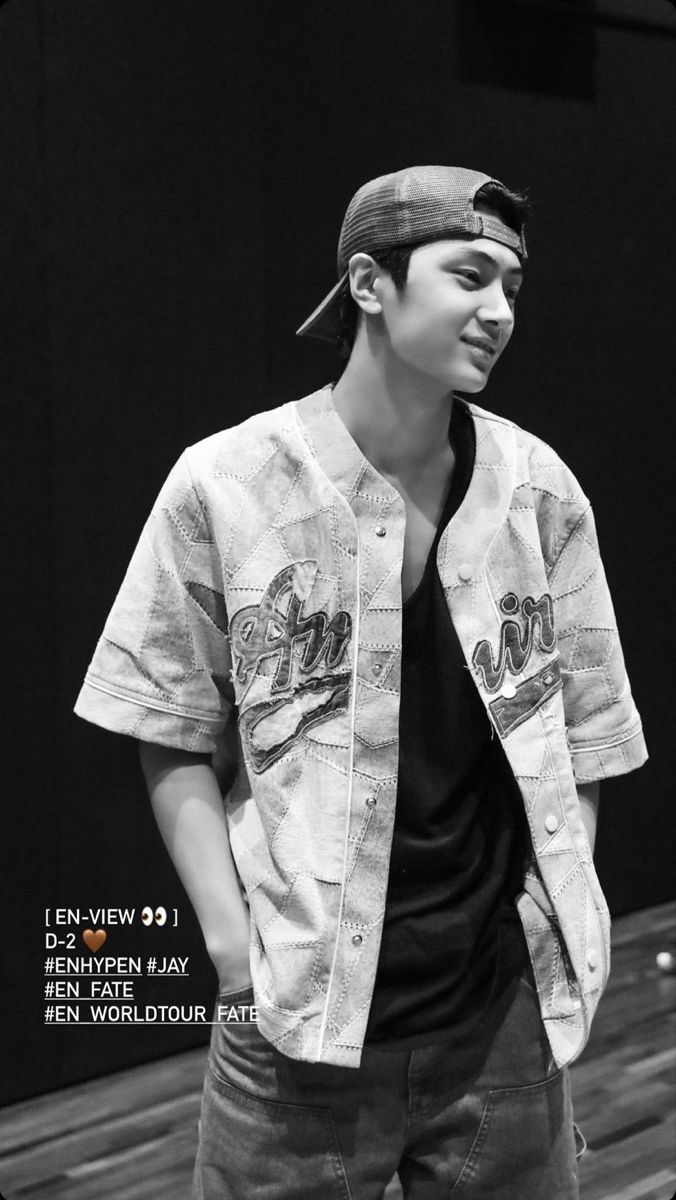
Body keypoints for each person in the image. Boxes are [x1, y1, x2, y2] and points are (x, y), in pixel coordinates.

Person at [75, 165, 648, 1199]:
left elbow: (585, 734)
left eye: (512, 288)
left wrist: (544, 925)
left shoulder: (539, 492)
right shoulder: (227, 484)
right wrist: (235, 955)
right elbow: (166, 724)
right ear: (369, 285)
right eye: (469, 274)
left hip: (500, 1028)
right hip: (295, 1026)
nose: (499, 311)